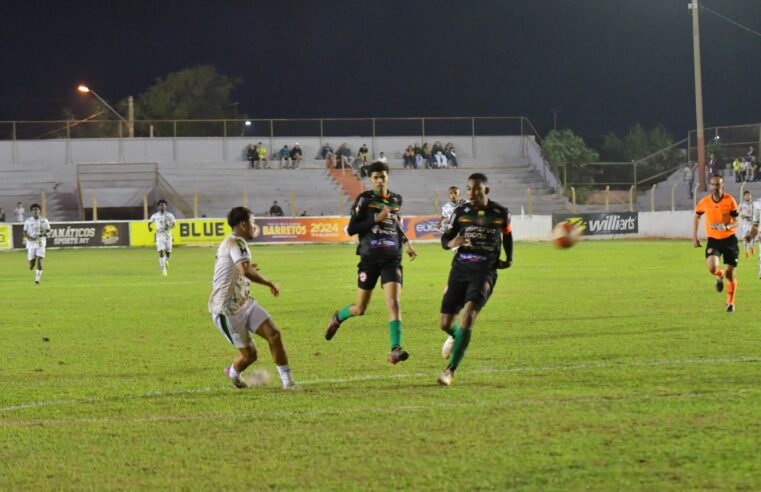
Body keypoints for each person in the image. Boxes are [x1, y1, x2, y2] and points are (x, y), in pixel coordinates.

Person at [324, 161, 418, 364]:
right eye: (375, 177)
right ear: (370, 179)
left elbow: (395, 224)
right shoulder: (364, 200)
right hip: (369, 259)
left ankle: (395, 349)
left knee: (393, 303)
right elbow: (351, 229)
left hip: (392, 258)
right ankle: (338, 317)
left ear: (387, 177)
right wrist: (376, 218)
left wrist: (407, 243)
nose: (379, 180)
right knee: (360, 308)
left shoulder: (395, 199)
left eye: (382, 176)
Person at [208, 206, 298, 390]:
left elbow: (240, 269)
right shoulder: (236, 243)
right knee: (250, 356)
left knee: (274, 335)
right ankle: (233, 372)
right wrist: (269, 283)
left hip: (244, 303)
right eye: (252, 222)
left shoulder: (234, 242)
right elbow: (245, 270)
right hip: (226, 310)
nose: (254, 225)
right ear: (243, 224)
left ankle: (288, 383)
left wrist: (246, 269)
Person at [436, 173, 512, 386]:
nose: (471, 193)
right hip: (460, 269)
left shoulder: (500, 213)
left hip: (484, 271)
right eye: (469, 189)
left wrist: (509, 258)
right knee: (445, 323)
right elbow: (445, 238)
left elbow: (507, 235)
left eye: (476, 189)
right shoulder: (461, 212)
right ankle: (456, 336)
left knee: (468, 316)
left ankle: (450, 371)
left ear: (486, 190)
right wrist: (452, 243)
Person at [693, 175, 739, 312]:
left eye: (718, 184)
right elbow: (697, 215)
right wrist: (695, 236)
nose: (715, 187)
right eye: (713, 185)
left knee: (730, 274)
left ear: (722, 185)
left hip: (730, 240)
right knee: (712, 268)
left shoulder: (730, 200)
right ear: (710, 186)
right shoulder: (705, 202)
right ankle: (719, 275)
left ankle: (730, 303)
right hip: (713, 240)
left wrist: (727, 226)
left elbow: (736, 221)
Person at [23, 203, 51, 284]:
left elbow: (48, 230)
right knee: (31, 266)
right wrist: (29, 238)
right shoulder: (28, 221)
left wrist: (46, 234)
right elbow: (24, 232)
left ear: (39, 211)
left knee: (39, 261)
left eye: (37, 209)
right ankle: (33, 259)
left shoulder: (44, 220)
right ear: (32, 211)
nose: (35, 211)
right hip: (31, 244)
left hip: (40, 243)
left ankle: (37, 280)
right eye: (34, 209)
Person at [147, 200, 176, 276]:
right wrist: (149, 228)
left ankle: (166, 260)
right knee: (161, 252)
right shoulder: (155, 215)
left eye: (163, 205)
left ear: (166, 206)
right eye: (160, 205)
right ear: (158, 206)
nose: (162, 206)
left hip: (168, 235)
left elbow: (174, 224)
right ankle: (164, 270)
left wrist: (169, 226)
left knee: (168, 252)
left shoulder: (170, 215)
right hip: (159, 236)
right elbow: (149, 222)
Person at [739, 190, 755, 258]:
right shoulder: (741, 204)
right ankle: (746, 251)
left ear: (750, 195)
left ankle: (752, 246)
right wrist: (742, 215)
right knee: (745, 239)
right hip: (744, 224)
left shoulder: (754, 204)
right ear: (744, 197)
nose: (748, 196)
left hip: (752, 224)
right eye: (746, 195)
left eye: (749, 195)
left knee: (752, 237)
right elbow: (738, 213)